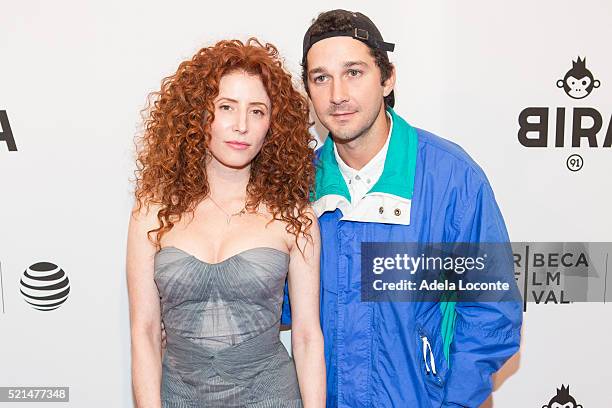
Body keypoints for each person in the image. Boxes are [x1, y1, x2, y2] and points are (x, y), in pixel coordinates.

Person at [279, 10, 523, 408]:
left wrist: (453, 403)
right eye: (320, 77)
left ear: (387, 78)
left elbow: (491, 313)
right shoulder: (296, 185)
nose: (337, 94)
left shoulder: (451, 177)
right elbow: (274, 298)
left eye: (354, 72)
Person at [126, 38, 325, 408]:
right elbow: (145, 332)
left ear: (273, 125)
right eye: (226, 107)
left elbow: (307, 336)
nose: (241, 126)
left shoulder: (295, 218)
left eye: (257, 111)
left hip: (271, 397)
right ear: (199, 115)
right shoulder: (151, 214)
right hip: (178, 398)